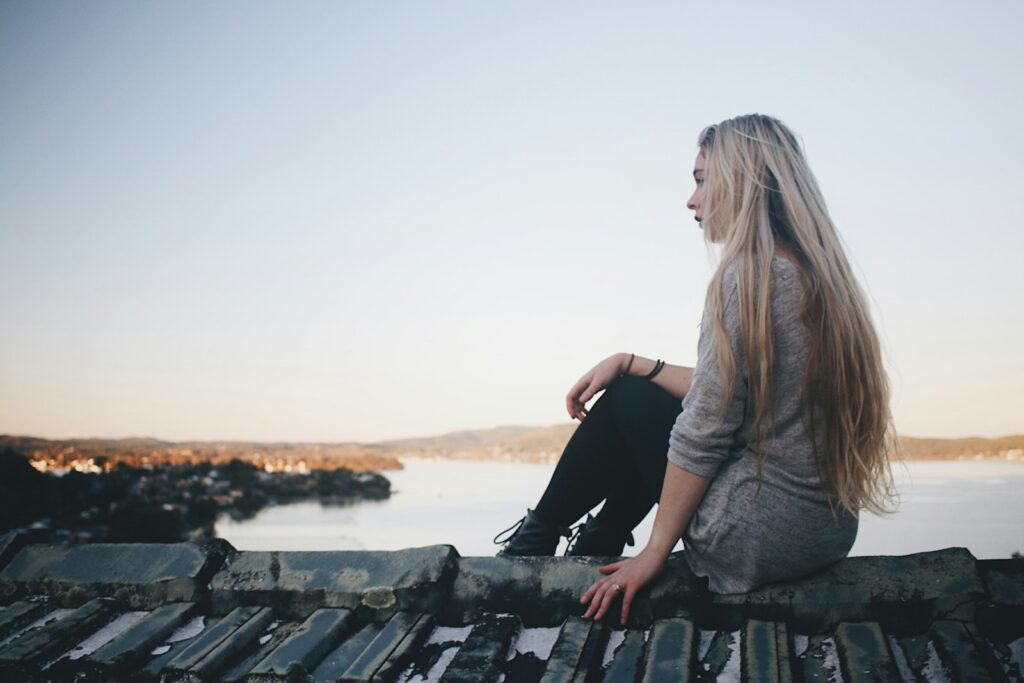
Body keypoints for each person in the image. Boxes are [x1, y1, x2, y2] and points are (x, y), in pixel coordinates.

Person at [492, 113, 897, 625]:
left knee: (630, 402)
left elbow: (702, 430)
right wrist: (633, 362)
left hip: (755, 533)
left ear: (741, 182)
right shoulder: (818, 275)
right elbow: (726, 391)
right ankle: (595, 541)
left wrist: (655, 554)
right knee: (637, 387)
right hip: (823, 532)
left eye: (701, 180)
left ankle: (538, 543)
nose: (692, 199)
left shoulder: (747, 279)